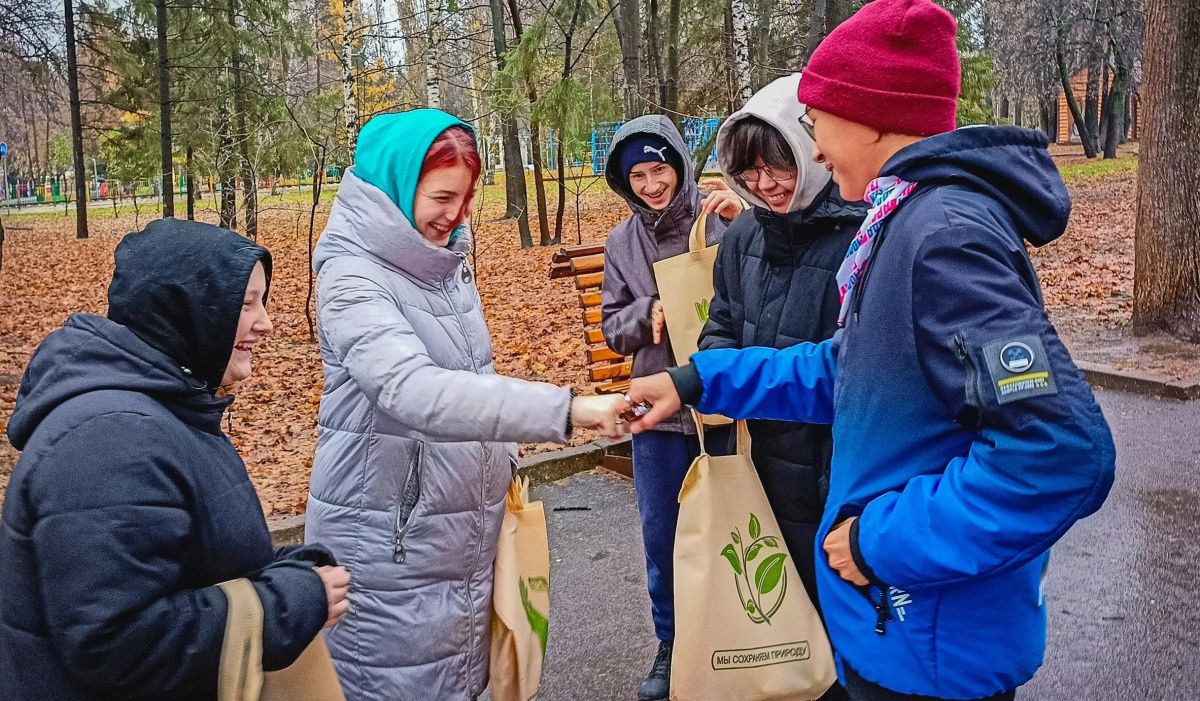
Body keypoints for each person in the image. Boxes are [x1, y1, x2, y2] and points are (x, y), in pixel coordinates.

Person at [622, 1, 1117, 699]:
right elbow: (851, 368)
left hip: (928, 640)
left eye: (819, 120)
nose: (815, 146)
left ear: (873, 117)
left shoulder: (945, 236)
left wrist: (876, 543)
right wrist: (699, 378)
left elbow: (1061, 453)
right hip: (898, 631)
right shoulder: (904, 217)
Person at [304, 109, 625, 701]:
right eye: (442, 197)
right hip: (393, 545)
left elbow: (469, 378)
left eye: (467, 198)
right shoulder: (351, 275)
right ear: (398, 184)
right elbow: (412, 389)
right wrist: (568, 409)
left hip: (457, 535)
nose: (455, 215)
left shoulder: (442, 263)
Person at [0, 219, 349, 700]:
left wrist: (289, 573)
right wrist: (286, 604)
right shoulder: (110, 441)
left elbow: (185, 560)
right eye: (246, 304)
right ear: (189, 311)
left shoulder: (165, 412)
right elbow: (118, 644)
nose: (266, 323)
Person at [698, 72, 866, 701]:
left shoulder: (859, 234)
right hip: (762, 470)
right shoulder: (743, 236)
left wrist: (754, 376)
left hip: (834, 473)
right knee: (782, 624)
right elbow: (719, 325)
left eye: (779, 165)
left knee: (842, 632)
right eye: (749, 171)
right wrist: (719, 373)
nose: (765, 184)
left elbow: (850, 366)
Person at [599, 114, 742, 701]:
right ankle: (672, 641)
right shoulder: (621, 243)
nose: (652, 184)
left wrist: (747, 221)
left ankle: (738, 633)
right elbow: (613, 327)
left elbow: (764, 280)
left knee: (738, 526)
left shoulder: (720, 217)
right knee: (662, 535)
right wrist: (645, 316)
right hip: (656, 412)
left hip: (725, 403)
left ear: (680, 164)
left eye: (660, 169)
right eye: (638, 174)